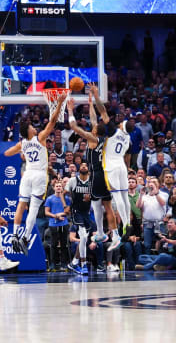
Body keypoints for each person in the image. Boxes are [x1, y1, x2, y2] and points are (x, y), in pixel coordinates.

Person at [4, 92, 66, 255]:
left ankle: (15, 235)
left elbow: (7, 153)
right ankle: (24, 238)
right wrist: (59, 103)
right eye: (31, 126)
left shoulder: (22, 143)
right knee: (33, 209)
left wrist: (21, 152)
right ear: (30, 131)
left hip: (27, 174)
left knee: (21, 205)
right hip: (39, 175)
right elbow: (53, 121)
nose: (34, 127)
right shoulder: (39, 138)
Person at [65, 88, 121, 250]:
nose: (92, 127)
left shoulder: (92, 138)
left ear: (95, 131)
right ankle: (105, 233)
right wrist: (90, 104)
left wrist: (70, 110)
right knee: (101, 205)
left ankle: (110, 233)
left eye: (93, 127)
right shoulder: (104, 138)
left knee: (101, 206)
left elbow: (75, 127)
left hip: (97, 174)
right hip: (105, 174)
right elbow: (94, 119)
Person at [99, 99, 134, 248]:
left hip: (112, 166)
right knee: (125, 196)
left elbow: (104, 114)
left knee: (117, 196)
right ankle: (127, 223)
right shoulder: (128, 137)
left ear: (122, 125)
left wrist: (96, 98)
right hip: (122, 165)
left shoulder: (114, 131)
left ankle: (125, 225)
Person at [66, 162, 93, 275]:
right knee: (82, 236)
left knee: (84, 239)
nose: (83, 166)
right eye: (81, 165)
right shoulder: (73, 180)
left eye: (85, 165)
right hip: (76, 211)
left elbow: (96, 197)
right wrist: (66, 206)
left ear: (88, 169)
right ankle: (83, 264)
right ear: (78, 169)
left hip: (86, 212)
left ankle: (74, 262)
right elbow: (64, 193)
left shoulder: (91, 182)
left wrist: (90, 197)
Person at [44, 180, 70, 271]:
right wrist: (55, 216)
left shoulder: (66, 199)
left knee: (64, 244)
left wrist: (61, 215)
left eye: (60, 186)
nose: (59, 187)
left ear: (62, 188)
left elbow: (68, 211)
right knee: (53, 244)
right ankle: (52, 264)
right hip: (53, 224)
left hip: (64, 223)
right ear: (54, 188)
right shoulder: (50, 199)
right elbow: (46, 212)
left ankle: (64, 264)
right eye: (57, 186)